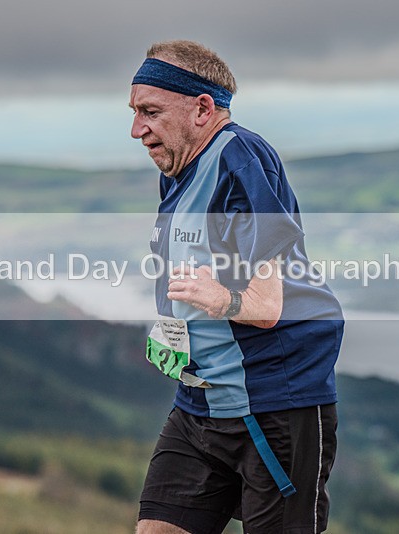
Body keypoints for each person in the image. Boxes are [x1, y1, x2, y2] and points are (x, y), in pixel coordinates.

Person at [130, 40, 344, 534]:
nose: (137, 129)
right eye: (135, 112)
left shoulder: (241, 158)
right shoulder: (180, 169)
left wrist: (221, 299)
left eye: (151, 111)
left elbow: (267, 306)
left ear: (202, 109)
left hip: (273, 406)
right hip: (199, 403)